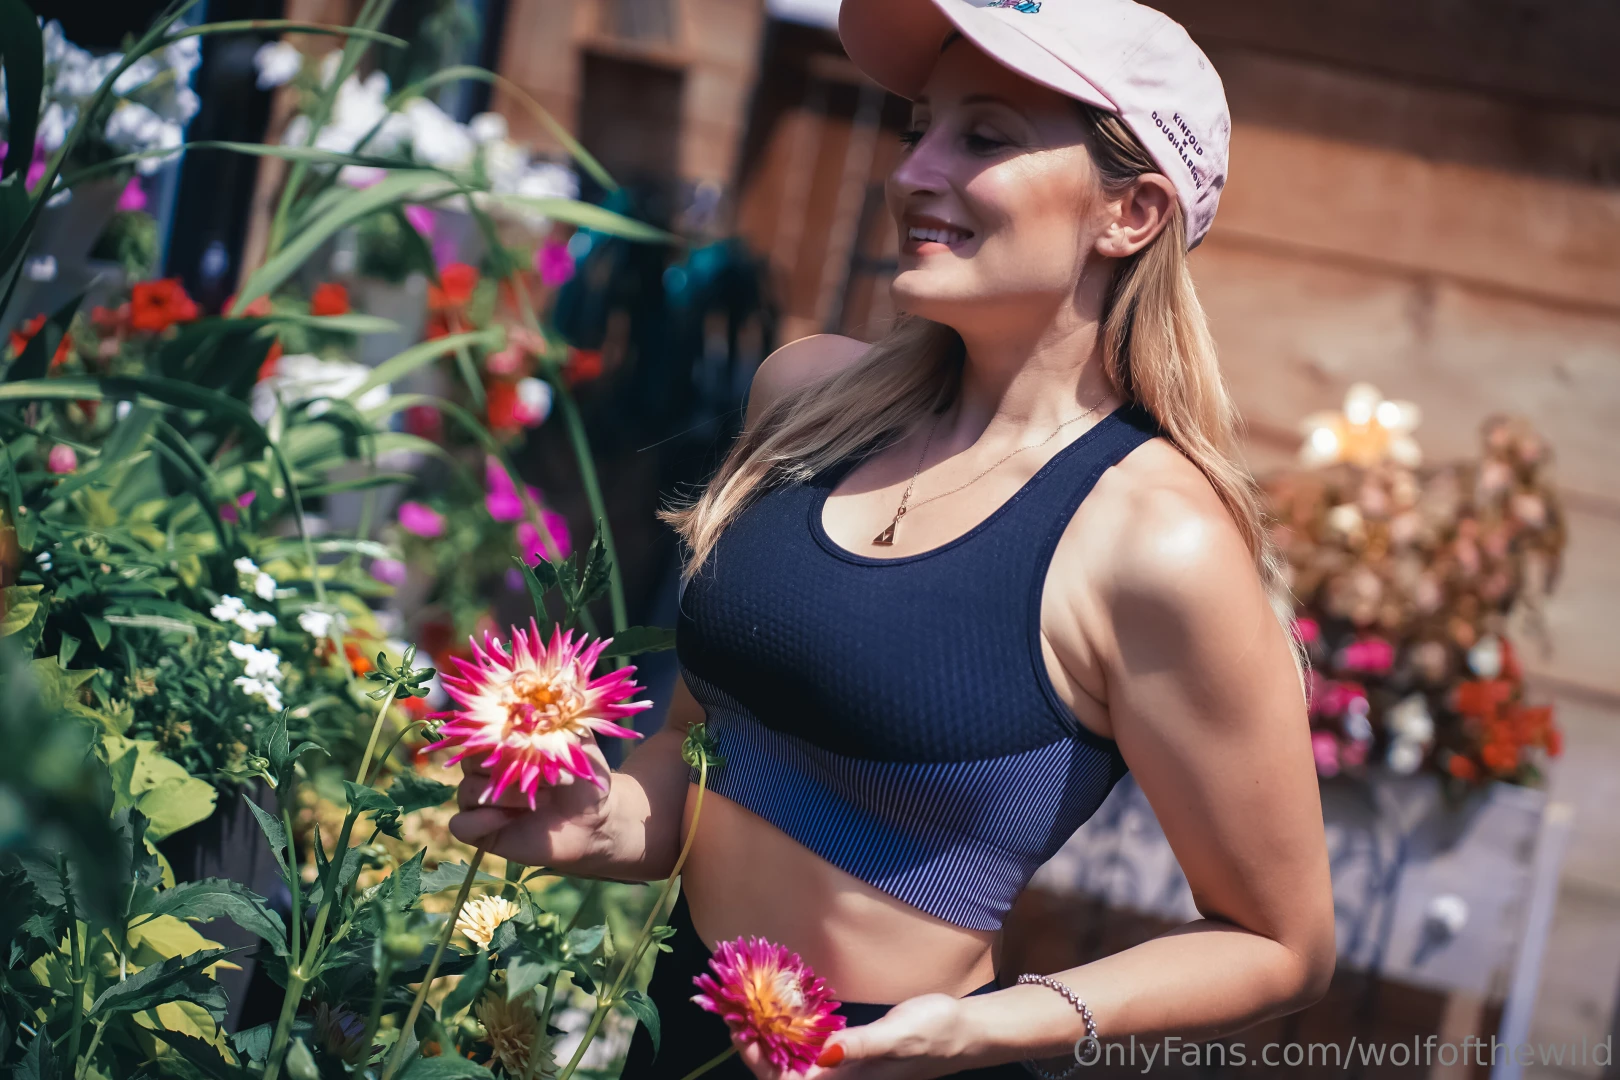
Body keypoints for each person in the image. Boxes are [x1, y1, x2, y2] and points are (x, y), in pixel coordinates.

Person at [448, 0, 1336, 1075]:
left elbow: (1281, 943)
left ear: (1132, 211)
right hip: (676, 1035)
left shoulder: (1155, 539)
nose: (913, 170)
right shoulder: (804, 404)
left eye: (985, 136)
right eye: (920, 128)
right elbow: (701, 748)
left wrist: (992, 1026)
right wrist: (601, 819)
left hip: (903, 1055)